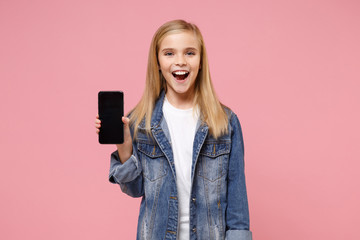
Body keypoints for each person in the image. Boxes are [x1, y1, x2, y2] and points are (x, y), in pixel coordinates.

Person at [95, 19, 252, 240]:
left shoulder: (225, 122)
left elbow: (237, 204)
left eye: (190, 53)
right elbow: (135, 189)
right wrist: (125, 147)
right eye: (169, 53)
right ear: (157, 62)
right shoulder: (140, 121)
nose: (180, 61)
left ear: (201, 61)